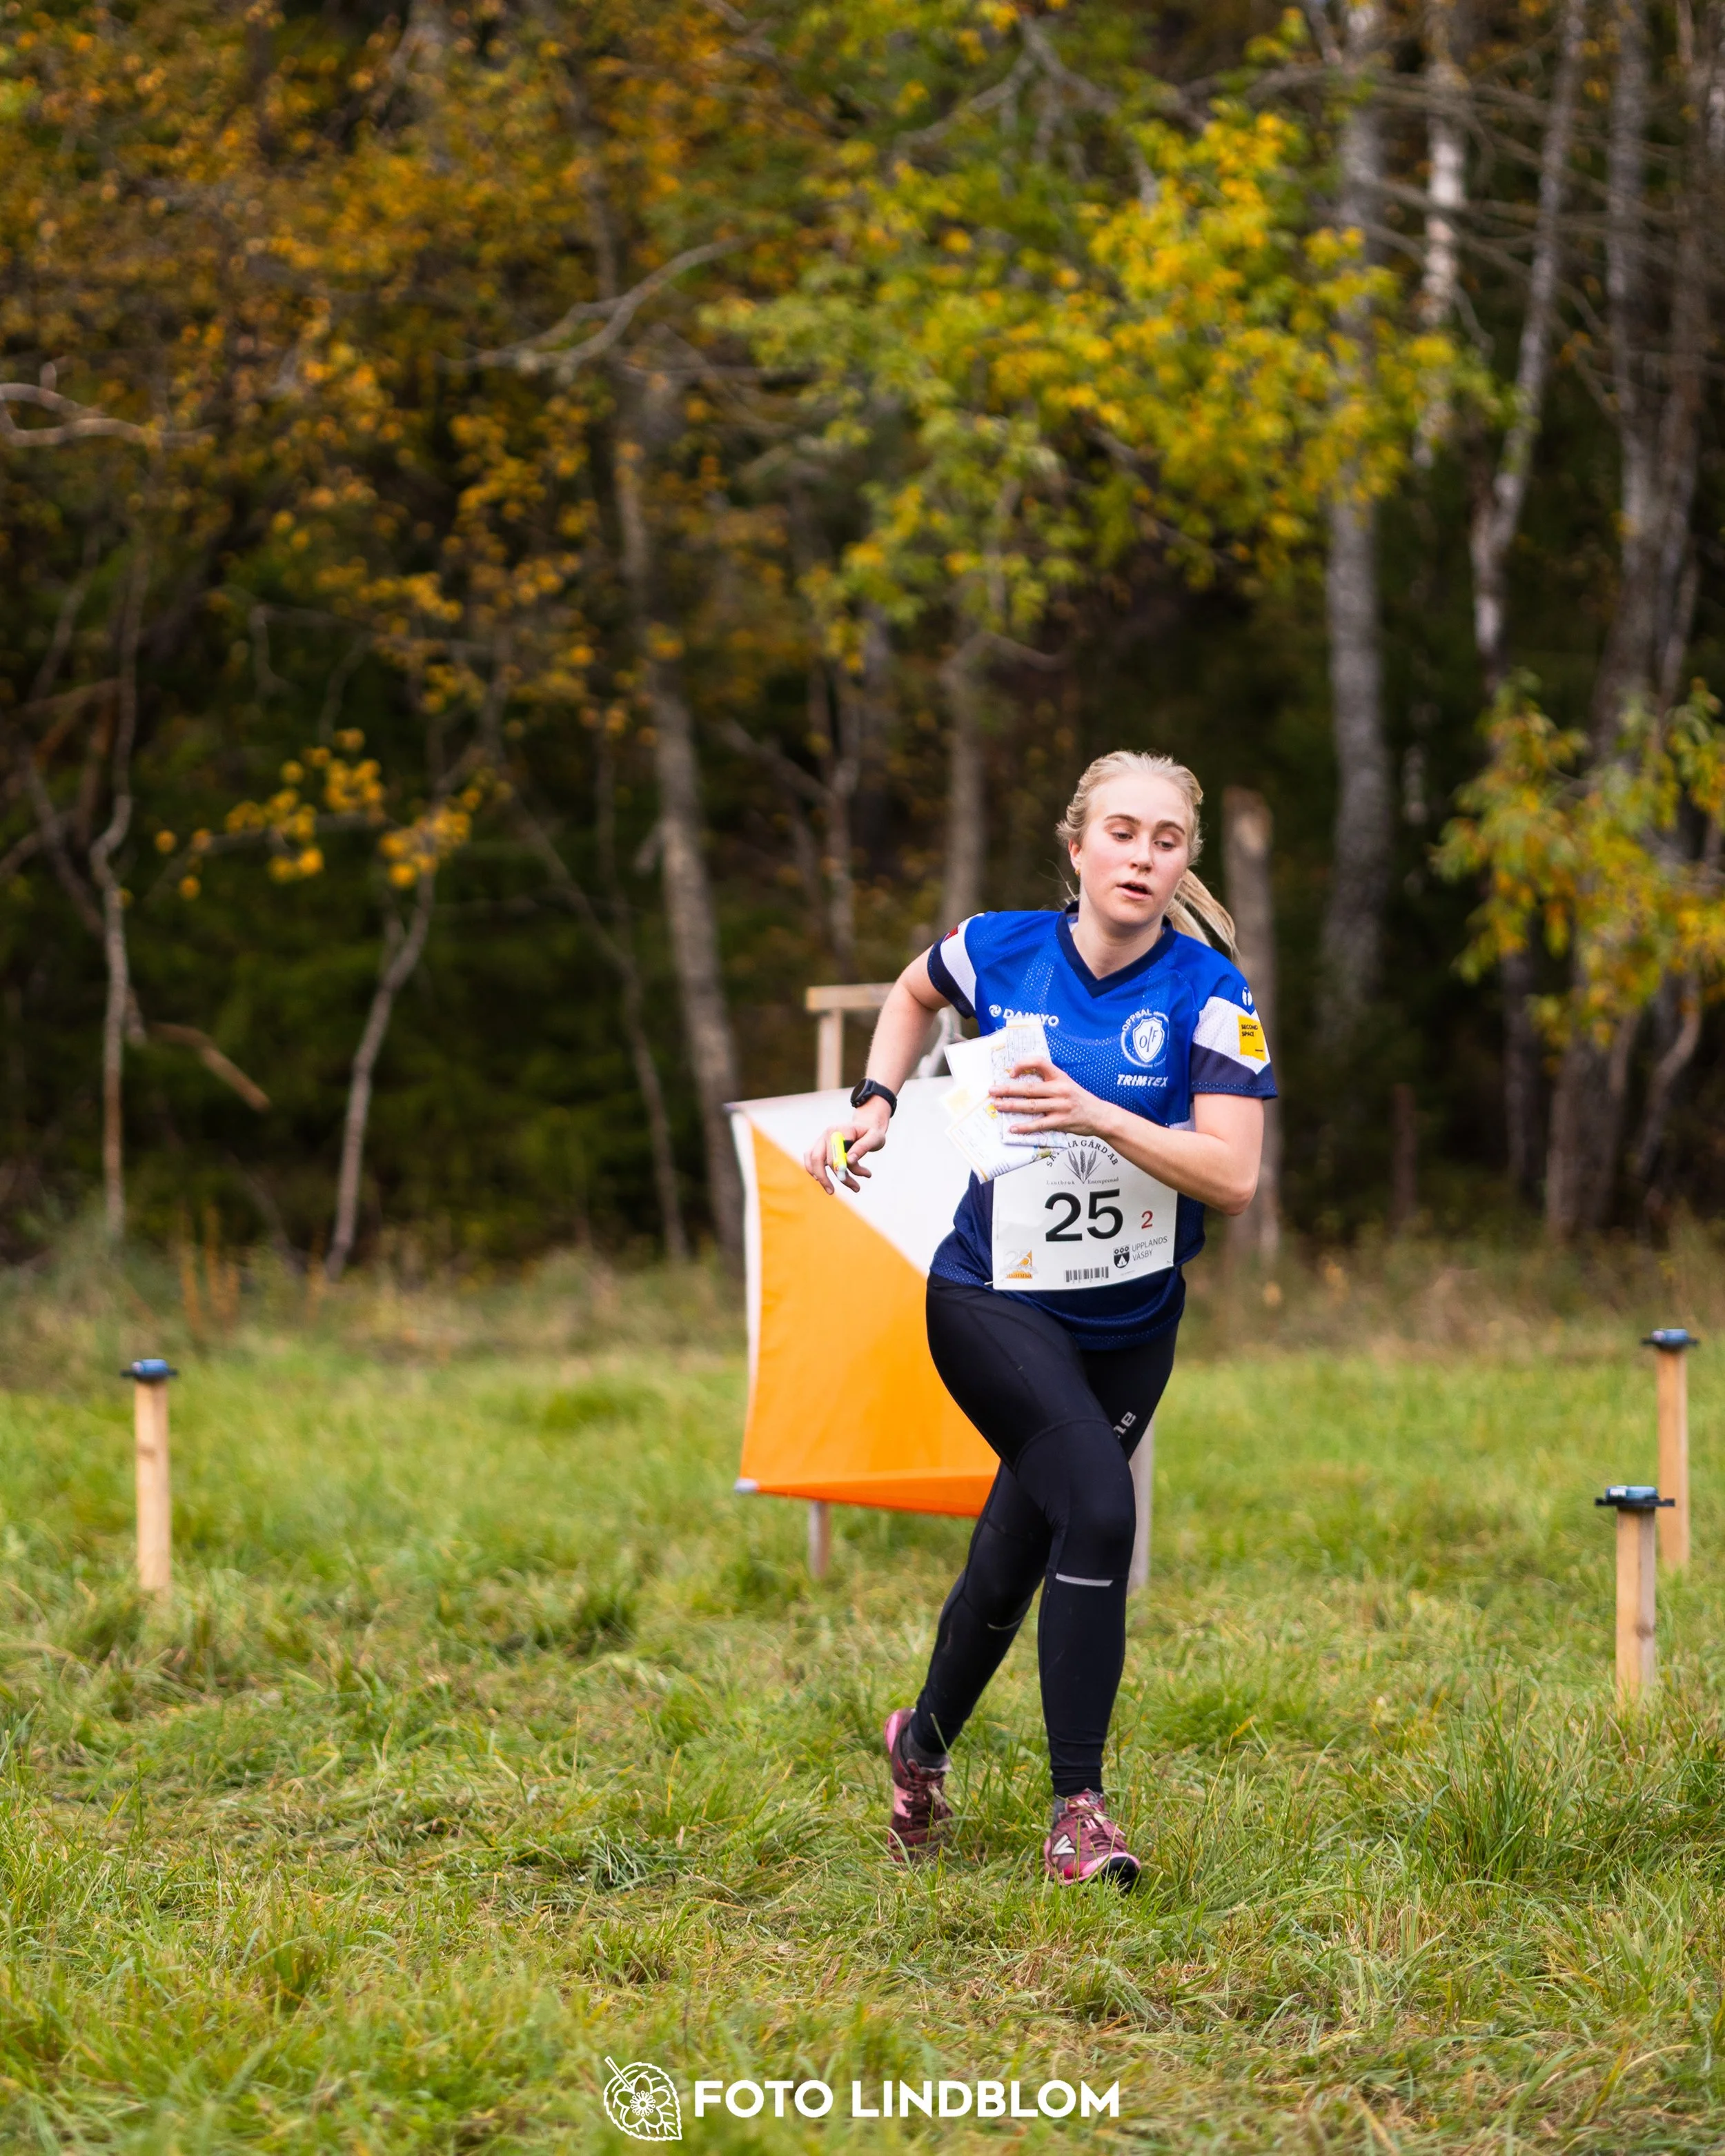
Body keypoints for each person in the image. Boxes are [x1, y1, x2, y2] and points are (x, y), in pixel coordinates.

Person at [803, 751, 1273, 1889]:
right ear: (1078, 847)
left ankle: (918, 1750)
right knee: (1099, 1512)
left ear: (1182, 865)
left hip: (1132, 1320)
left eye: (1167, 841)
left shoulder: (1213, 995)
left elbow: (1232, 1178)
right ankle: (1081, 1813)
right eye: (1122, 833)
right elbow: (912, 992)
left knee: (1018, 1551)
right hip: (989, 1298)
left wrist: (1099, 1116)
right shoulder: (1000, 946)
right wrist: (876, 1102)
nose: (1143, 857)